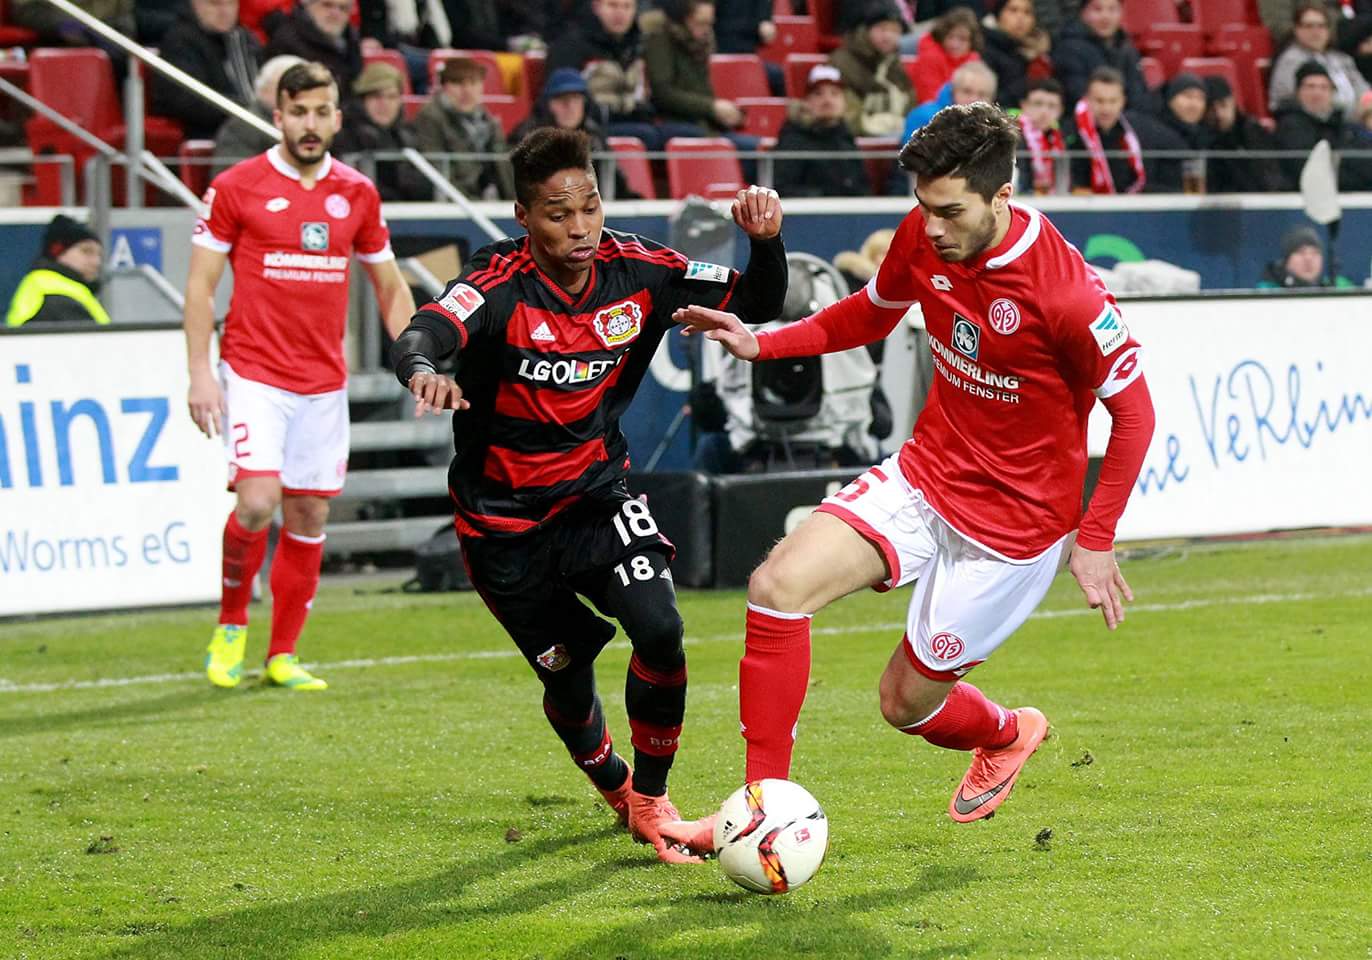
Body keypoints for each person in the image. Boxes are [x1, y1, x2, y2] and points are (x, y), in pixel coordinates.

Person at [659, 102, 1155, 851]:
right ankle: (762, 808)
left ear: (1002, 195)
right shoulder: (924, 237)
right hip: (925, 478)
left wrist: (1095, 537)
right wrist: (763, 344)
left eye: (950, 211)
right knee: (776, 588)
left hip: (1012, 533)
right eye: (924, 206)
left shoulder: (1067, 296)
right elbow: (870, 313)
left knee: (904, 704)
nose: (932, 227)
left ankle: (1008, 732)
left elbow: (1136, 415)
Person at [388, 128, 787, 862]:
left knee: (660, 630)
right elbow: (424, 333)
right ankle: (615, 785)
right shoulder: (497, 283)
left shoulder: (639, 269)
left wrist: (765, 242)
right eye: (557, 214)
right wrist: (423, 370)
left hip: (596, 497)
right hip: (503, 524)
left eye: (590, 206)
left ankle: (654, 800)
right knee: (567, 671)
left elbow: (758, 298)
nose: (580, 227)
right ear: (523, 217)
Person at [186, 62, 417, 692]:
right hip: (254, 370)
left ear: (337, 118)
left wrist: (417, 361)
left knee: (310, 513)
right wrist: (200, 374)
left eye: (320, 112)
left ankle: (282, 654)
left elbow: (390, 287)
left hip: (323, 379)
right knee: (258, 502)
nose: (309, 124)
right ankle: (232, 623)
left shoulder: (357, 193)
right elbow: (201, 286)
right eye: (298, 113)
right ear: (279, 117)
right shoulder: (237, 186)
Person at [642, 0, 761, 167]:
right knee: (752, 151)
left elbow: (703, 92)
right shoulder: (660, 38)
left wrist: (724, 114)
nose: (706, 30)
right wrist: (712, 108)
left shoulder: (700, 43)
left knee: (761, 148)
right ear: (683, 18)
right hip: (675, 123)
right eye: (700, 23)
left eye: (709, 24)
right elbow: (663, 93)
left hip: (703, 124)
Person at [152, 0, 262, 140]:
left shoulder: (245, 39)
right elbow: (189, 102)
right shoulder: (179, 42)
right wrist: (247, 109)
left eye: (231, 4)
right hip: (207, 132)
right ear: (195, 4)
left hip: (249, 124)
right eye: (215, 4)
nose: (225, 11)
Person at [413, 57, 516, 200]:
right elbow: (437, 169)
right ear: (444, 86)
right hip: (455, 203)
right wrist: (472, 202)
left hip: (491, 202)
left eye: (473, 83)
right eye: (458, 83)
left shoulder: (488, 120)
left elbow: (503, 168)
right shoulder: (430, 117)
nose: (467, 91)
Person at [333, 61, 431, 201]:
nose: (384, 104)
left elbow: (425, 185)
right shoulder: (345, 136)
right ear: (362, 101)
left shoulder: (407, 135)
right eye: (376, 97)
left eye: (392, 97)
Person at [772, 65, 869, 198]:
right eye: (818, 94)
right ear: (807, 101)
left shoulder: (846, 138)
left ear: (844, 101)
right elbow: (781, 189)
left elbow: (862, 188)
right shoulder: (793, 139)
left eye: (834, 93)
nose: (827, 100)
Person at [1273, 60, 1372, 190]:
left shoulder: (1342, 126)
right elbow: (1307, 170)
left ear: (1332, 93)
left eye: (1324, 87)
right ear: (1298, 92)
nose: (1317, 93)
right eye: (1310, 87)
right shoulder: (1291, 126)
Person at [5, 215, 109, 328]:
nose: (96, 262)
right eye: (86, 251)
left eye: (99, 255)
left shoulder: (44, 285)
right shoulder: (58, 298)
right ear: (57, 251)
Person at [1268, 0, 1370, 115]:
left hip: (1356, 119)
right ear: (1297, 30)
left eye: (1321, 26)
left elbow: (1363, 90)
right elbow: (1284, 101)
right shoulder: (1291, 60)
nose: (1316, 32)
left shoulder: (1341, 58)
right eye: (1309, 26)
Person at [829, 2, 913, 137]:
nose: (888, 36)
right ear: (866, 30)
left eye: (894, 31)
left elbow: (910, 102)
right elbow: (845, 112)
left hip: (897, 133)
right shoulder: (842, 62)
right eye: (882, 29)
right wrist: (878, 125)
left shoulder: (895, 64)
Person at [213, 54, 304, 175]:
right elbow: (233, 178)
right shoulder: (243, 127)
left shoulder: (311, 124)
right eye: (292, 89)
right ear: (264, 89)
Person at [1052, 0, 1148, 109]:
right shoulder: (1069, 49)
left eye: (1112, 9)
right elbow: (1078, 96)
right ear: (1083, 13)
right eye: (1097, 9)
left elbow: (1138, 95)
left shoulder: (1127, 49)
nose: (1105, 17)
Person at [1126, 72, 1212, 193]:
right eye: (1188, 96)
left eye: (1200, 98)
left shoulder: (1204, 136)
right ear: (1170, 99)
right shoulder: (1152, 132)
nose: (1194, 104)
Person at [1068, 66, 1144, 193]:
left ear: (1123, 101)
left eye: (1113, 101)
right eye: (1099, 101)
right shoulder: (1070, 134)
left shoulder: (1134, 134)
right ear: (1087, 100)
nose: (1106, 109)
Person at [1204, 74, 1282, 194]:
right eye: (1211, 108)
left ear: (1233, 102)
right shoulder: (1201, 139)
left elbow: (1271, 178)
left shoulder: (1252, 131)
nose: (1219, 114)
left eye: (1223, 105)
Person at [264, 0, 363, 90]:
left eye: (343, 8)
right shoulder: (287, 39)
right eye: (327, 5)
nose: (335, 13)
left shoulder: (352, 41)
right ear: (308, 5)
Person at [981, 0, 1054, 109]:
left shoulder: (1041, 54)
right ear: (998, 15)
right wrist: (1028, 82)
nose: (1021, 17)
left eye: (1027, 12)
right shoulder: (984, 48)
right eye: (1013, 10)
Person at [902, 60, 998, 141]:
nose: (974, 99)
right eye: (967, 91)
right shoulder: (924, 118)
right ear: (953, 91)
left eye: (982, 95)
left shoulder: (996, 127)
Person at [911, 6, 983, 105]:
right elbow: (929, 99)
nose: (955, 44)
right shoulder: (930, 58)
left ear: (972, 42)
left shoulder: (973, 61)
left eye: (962, 39)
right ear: (942, 36)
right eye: (950, 37)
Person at [1257, 224, 1355, 288]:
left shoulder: (1338, 286)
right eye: (1300, 252)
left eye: (1315, 253)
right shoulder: (1268, 292)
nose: (1308, 258)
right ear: (1286, 260)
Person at [1016, 76, 1066, 194]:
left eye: (1052, 106)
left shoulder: (1061, 140)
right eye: (1038, 104)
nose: (1044, 111)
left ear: (1060, 111)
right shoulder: (1012, 136)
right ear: (1024, 105)